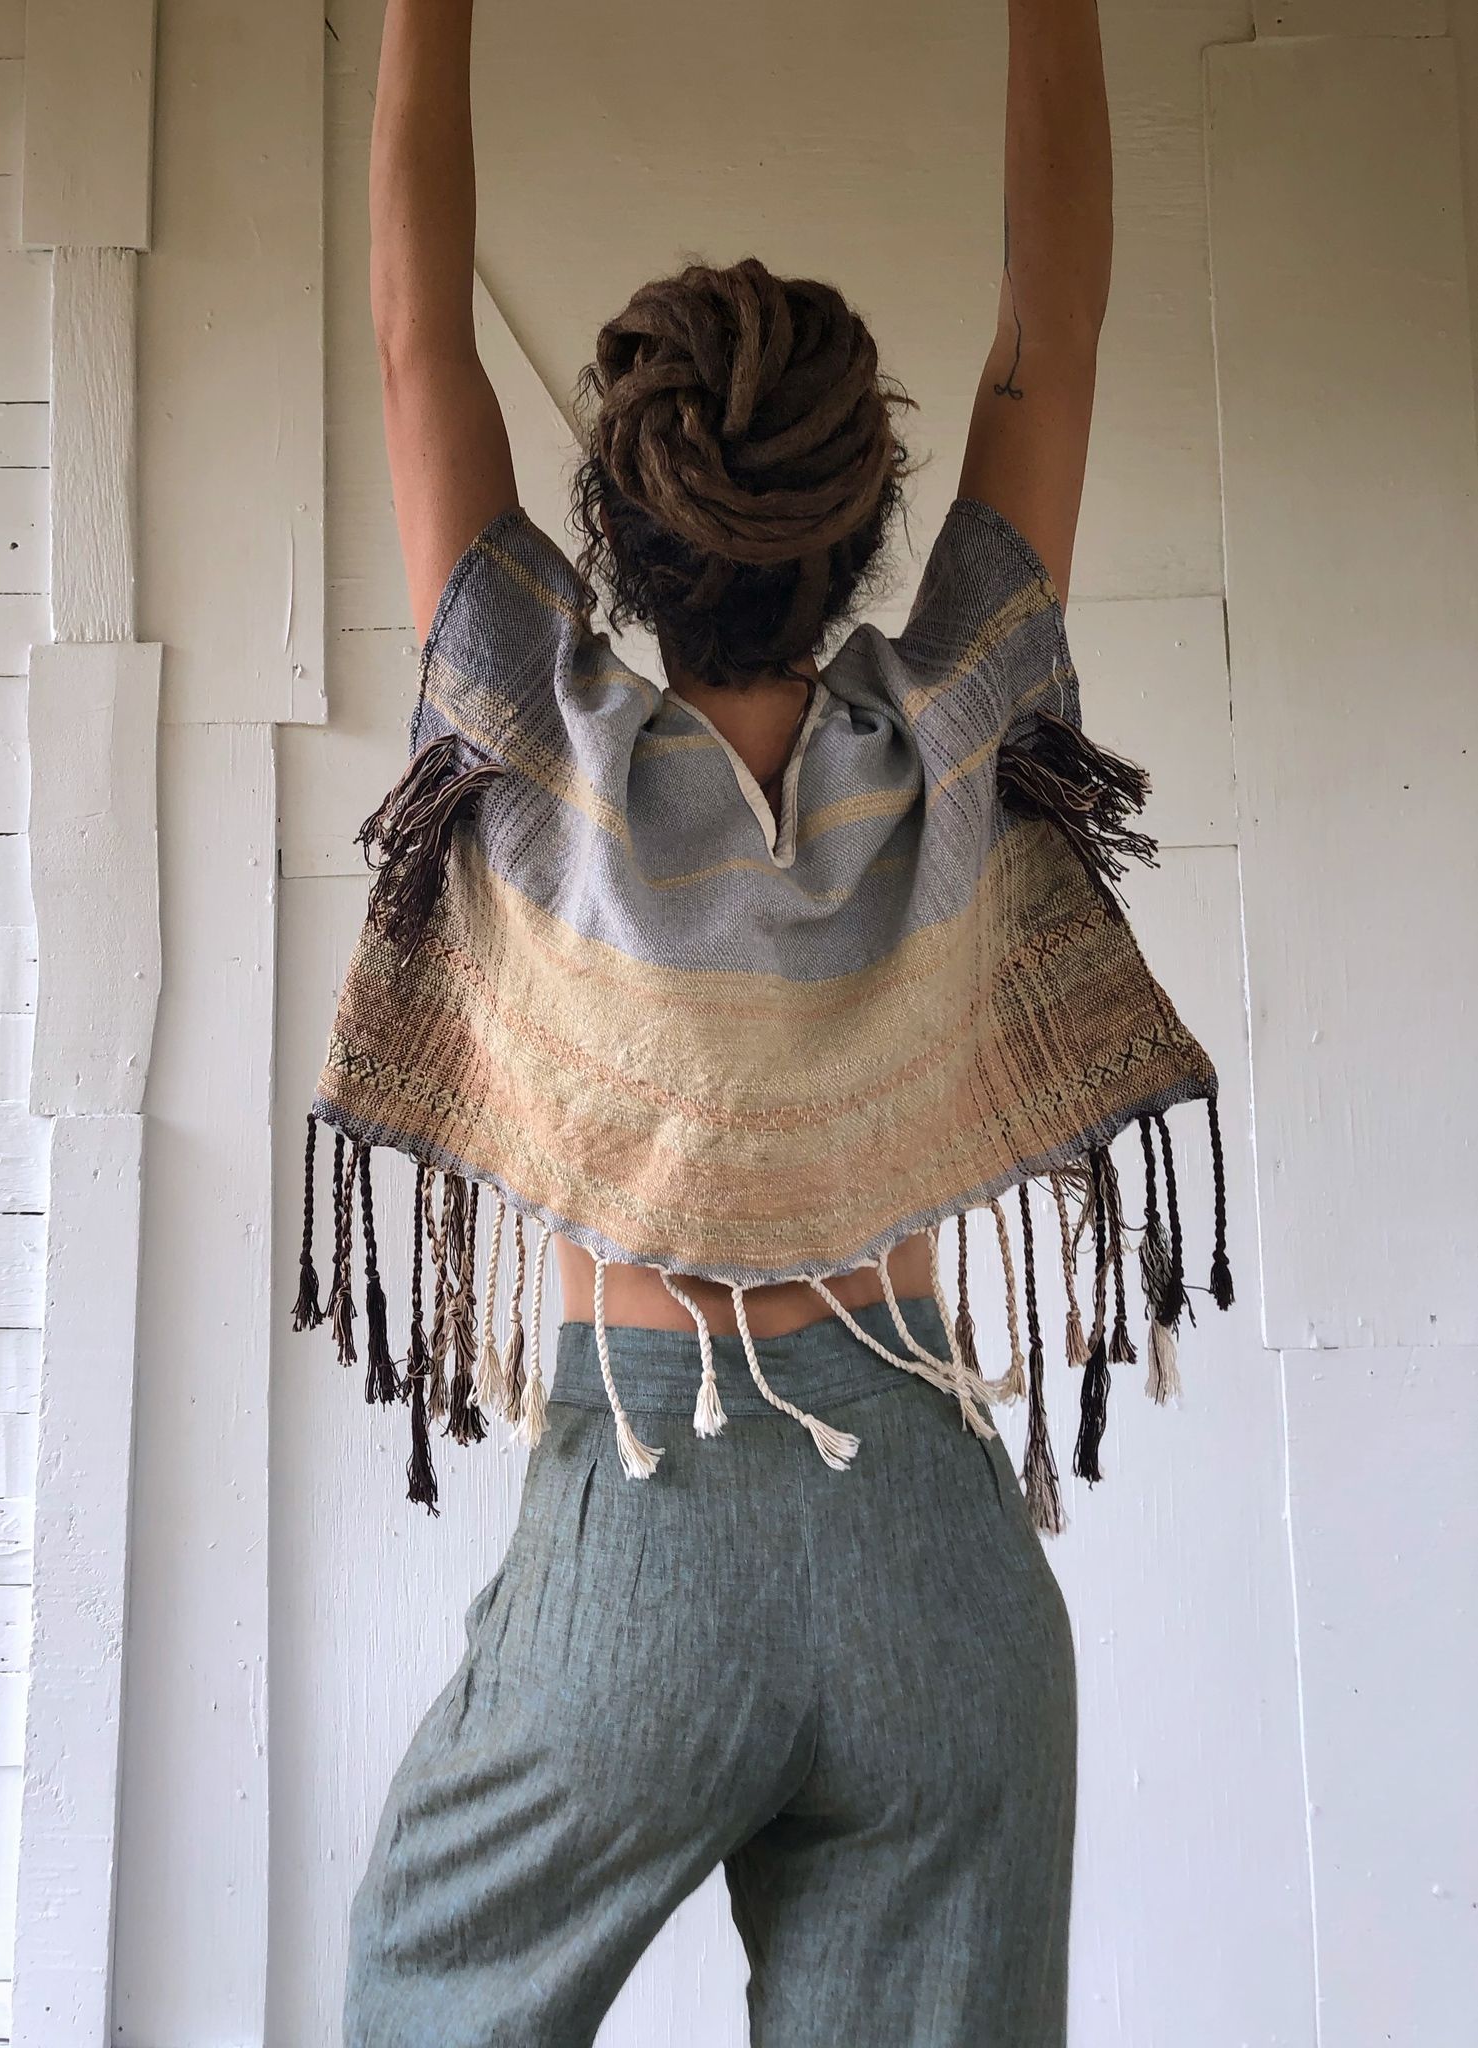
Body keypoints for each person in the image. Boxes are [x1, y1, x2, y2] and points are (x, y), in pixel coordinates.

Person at [340, 0, 1115, 2040]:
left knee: (423, 1991)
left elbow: (422, 337)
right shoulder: (947, 720)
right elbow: (1052, 334)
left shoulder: (540, 743)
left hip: (647, 1535)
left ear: (614, 515)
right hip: (934, 1555)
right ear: (863, 514)